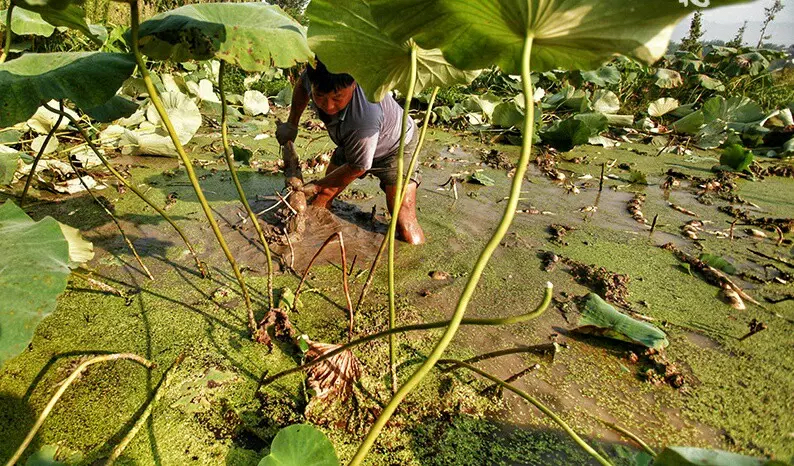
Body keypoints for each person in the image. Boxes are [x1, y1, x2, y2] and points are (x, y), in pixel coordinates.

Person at [275, 59, 425, 245]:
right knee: (321, 199)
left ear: (353, 84)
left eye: (337, 98)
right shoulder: (317, 75)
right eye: (320, 96)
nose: (328, 107)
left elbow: (358, 166)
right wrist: (292, 123)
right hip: (351, 143)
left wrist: (319, 184)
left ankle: (414, 257)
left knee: (404, 221)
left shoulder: (365, 117)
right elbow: (302, 86)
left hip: (395, 147)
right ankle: (310, 242)